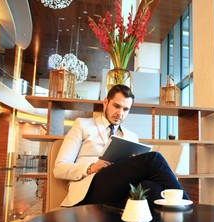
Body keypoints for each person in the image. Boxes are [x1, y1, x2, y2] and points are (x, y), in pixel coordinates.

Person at [54, 84, 189, 208]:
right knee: (153, 159)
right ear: (106, 102)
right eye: (116, 106)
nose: (120, 113)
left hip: (120, 193)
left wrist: (132, 165)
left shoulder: (131, 137)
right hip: (89, 190)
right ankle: (189, 209)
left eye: (125, 109)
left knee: (152, 187)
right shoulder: (83, 125)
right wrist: (91, 168)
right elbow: (59, 168)